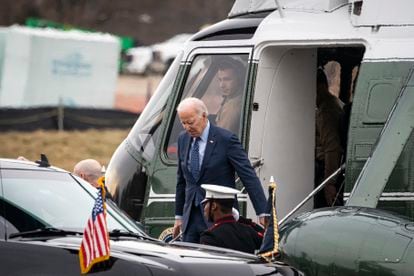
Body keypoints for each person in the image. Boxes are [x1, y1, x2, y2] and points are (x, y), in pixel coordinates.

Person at [173, 97, 268, 243]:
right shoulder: (183, 139)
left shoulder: (226, 140)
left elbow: (248, 176)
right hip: (191, 218)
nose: (187, 127)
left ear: (204, 116)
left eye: (190, 122)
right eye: (183, 123)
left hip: (219, 217)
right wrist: (179, 216)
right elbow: (181, 181)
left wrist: (263, 211)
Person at [199, 184, 263, 253]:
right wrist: (240, 219)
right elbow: (267, 238)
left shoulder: (209, 236)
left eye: (206, 204)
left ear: (213, 206)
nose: (204, 208)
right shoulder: (248, 230)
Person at [314, 69, 344, 208]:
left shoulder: (326, 110)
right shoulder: (334, 103)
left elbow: (332, 148)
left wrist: (329, 183)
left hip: (325, 170)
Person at [215, 58, 245, 134]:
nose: (222, 85)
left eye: (227, 79)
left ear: (239, 80)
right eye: (220, 80)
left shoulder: (233, 106)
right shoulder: (236, 97)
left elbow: (220, 139)